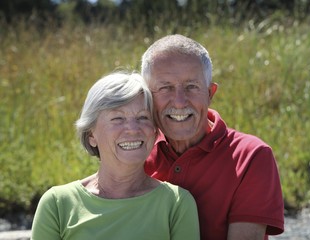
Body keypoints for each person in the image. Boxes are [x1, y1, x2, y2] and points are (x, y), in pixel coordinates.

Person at [141, 34, 284, 240]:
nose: (180, 102)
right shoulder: (137, 151)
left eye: (192, 86)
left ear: (210, 93)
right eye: (165, 87)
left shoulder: (251, 156)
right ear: (147, 96)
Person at [31, 72, 200, 240]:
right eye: (118, 118)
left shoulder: (177, 204)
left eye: (142, 117)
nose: (133, 129)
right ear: (91, 135)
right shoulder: (57, 204)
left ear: (155, 132)